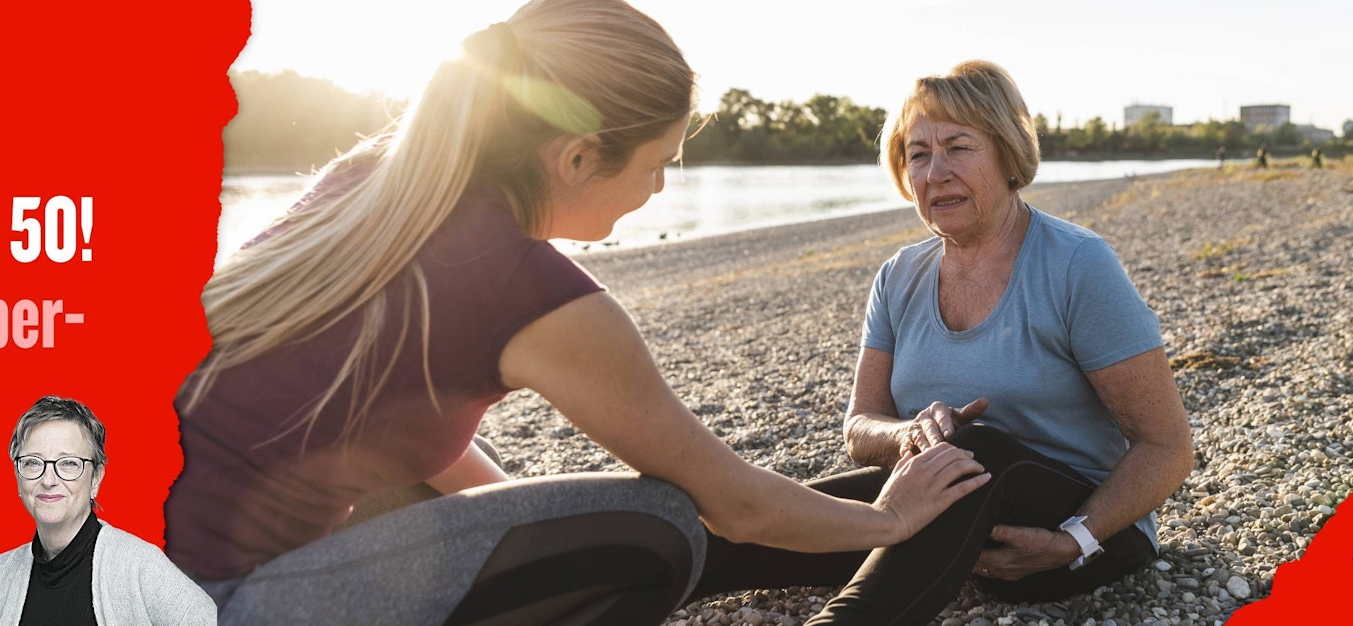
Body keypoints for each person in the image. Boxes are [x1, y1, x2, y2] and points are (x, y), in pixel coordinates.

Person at [162, 1, 990, 624]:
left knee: (454, 461)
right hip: (211, 604)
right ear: (579, 157)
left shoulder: (371, 188)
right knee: (656, 526)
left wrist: (535, 529)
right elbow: (730, 500)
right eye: (659, 163)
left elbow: (407, 432)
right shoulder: (525, 287)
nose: (660, 187)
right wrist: (890, 517)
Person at [687, 61, 1195, 620]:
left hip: (1084, 529)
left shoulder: (1078, 263)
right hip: (941, 507)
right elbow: (861, 427)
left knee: (971, 451)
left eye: (958, 148)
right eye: (918, 154)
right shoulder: (898, 275)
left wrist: (1073, 540)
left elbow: (1167, 445)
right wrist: (910, 431)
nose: (936, 173)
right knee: (758, 520)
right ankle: (632, 577)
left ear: (1007, 155)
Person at [0, 396, 215, 625]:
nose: (48, 479)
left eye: (68, 463)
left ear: (95, 478)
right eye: (33, 462)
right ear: (18, 476)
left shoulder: (138, 566)